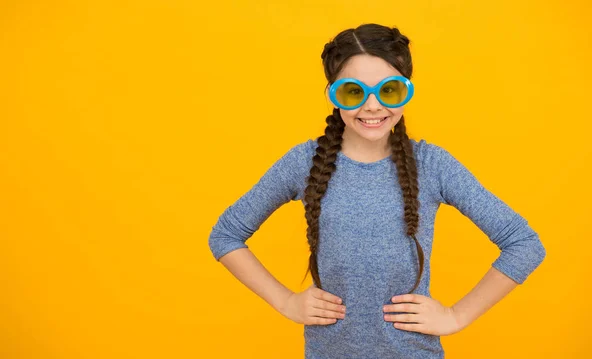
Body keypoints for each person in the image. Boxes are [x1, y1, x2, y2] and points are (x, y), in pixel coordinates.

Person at [208, 23, 546, 359]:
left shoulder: (433, 165)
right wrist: (284, 300)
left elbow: (524, 244)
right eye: (354, 92)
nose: (372, 106)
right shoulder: (303, 163)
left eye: (389, 91)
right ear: (332, 94)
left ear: (406, 90)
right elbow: (225, 235)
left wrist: (456, 315)